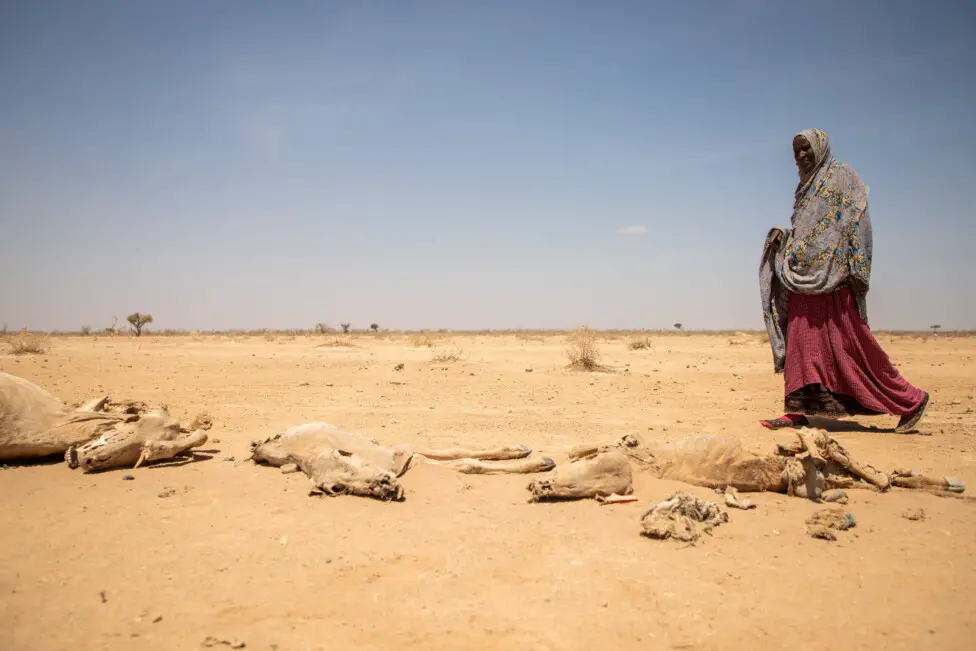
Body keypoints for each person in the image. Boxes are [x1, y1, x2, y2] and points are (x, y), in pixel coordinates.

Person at [758, 128, 928, 433]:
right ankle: (797, 411)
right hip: (803, 283)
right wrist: (783, 239)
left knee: (855, 348)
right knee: (800, 347)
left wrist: (855, 271)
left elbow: (858, 224)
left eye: (805, 149)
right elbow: (805, 234)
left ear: (820, 148)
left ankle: (911, 400)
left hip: (835, 283)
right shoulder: (804, 189)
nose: (800, 156)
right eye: (796, 151)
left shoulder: (842, 177)